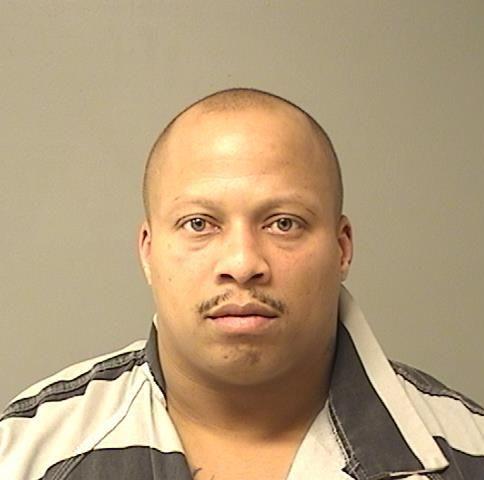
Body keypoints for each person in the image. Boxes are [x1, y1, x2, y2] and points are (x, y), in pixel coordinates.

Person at [1, 88, 483, 480]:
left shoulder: (470, 453)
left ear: (342, 249)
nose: (242, 262)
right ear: (148, 250)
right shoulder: (24, 454)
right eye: (198, 224)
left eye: (284, 223)